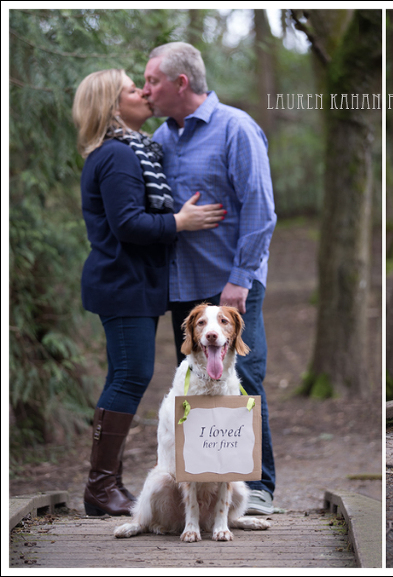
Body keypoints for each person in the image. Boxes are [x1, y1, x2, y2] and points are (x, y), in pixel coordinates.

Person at [73, 69, 224, 516]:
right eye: (130, 89)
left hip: (130, 283)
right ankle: (101, 489)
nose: (142, 92)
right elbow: (128, 224)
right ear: (112, 106)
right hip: (123, 283)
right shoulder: (118, 155)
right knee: (130, 375)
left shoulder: (128, 150)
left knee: (125, 375)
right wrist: (180, 221)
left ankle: (105, 486)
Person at [142, 42, 278, 515]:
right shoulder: (159, 138)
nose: (146, 90)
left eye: (152, 81)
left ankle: (256, 487)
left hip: (231, 284)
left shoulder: (235, 128)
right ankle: (202, 492)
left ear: (181, 83)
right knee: (193, 385)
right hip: (184, 287)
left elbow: (261, 211)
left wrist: (240, 279)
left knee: (244, 379)